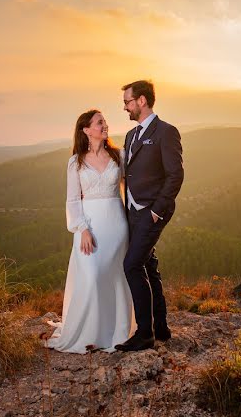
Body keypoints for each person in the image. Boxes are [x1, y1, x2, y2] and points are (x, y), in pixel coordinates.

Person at [45, 109, 135, 353]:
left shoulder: (119, 155)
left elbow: (131, 189)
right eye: (99, 123)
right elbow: (72, 200)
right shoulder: (75, 162)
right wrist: (82, 229)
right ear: (86, 130)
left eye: (104, 121)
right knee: (92, 275)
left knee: (114, 276)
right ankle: (89, 332)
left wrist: (140, 215)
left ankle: (114, 332)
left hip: (116, 224)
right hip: (89, 226)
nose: (104, 125)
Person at [115, 80, 184, 352]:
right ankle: (161, 328)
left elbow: (175, 175)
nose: (125, 107)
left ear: (141, 101)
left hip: (152, 212)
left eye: (127, 102)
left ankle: (144, 333)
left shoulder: (166, 132)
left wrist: (156, 210)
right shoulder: (131, 136)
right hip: (132, 211)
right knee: (148, 265)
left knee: (132, 265)